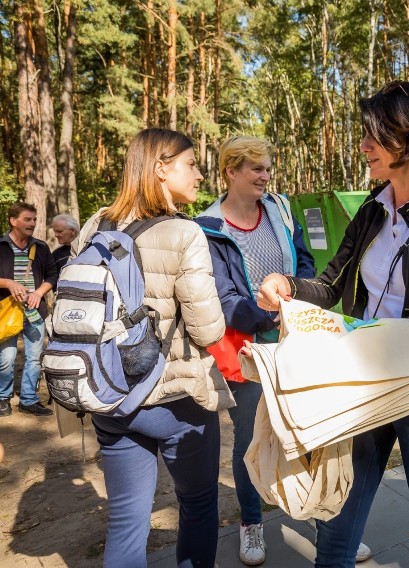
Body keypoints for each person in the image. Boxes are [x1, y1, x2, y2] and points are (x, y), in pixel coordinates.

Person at [255, 80, 409, 568]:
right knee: (335, 528)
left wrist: (337, 346)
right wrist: (289, 287)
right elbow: (331, 284)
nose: (364, 146)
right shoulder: (372, 208)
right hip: (363, 390)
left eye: (375, 136)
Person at [196, 136, 371, 565]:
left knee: (309, 429)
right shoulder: (206, 226)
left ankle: (316, 512)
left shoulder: (279, 209)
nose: (265, 175)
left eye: (267, 167)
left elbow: (306, 263)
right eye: (255, 168)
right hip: (247, 349)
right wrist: (268, 317)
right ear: (230, 171)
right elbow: (221, 297)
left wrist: (299, 298)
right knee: (250, 438)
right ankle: (251, 523)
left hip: (298, 339)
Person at [76, 128, 235, 567]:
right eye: (191, 164)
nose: (200, 175)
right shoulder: (186, 234)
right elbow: (205, 329)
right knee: (199, 505)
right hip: (174, 397)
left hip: (109, 393)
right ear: (162, 168)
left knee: (127, 523)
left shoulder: (96, 224)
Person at [0, 203, 57, 418]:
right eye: (27, 219)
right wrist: (8, 283)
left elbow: (52, 274)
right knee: (7, 357)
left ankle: (29, 400)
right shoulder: (1, 245)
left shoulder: (41, 247)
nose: (32, 224)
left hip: (34, 312)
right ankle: (3, 398)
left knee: (35, 357)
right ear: (13, 221)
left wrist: (39, 293)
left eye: (34, 219)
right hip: (7, 311)